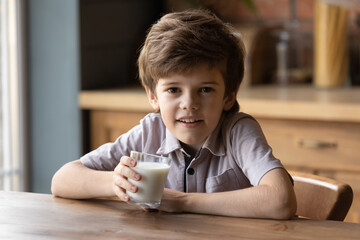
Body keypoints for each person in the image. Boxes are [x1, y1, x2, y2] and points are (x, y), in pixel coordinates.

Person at [52, 9, 297, 219]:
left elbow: (281, 201)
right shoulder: (150, 133)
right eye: (173, 90)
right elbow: (62, 180)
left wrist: (181, 202)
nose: (189, 104)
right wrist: (115, 182)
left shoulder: (238, 132)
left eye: (205, 89)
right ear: (153, 96)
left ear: (229, 96)